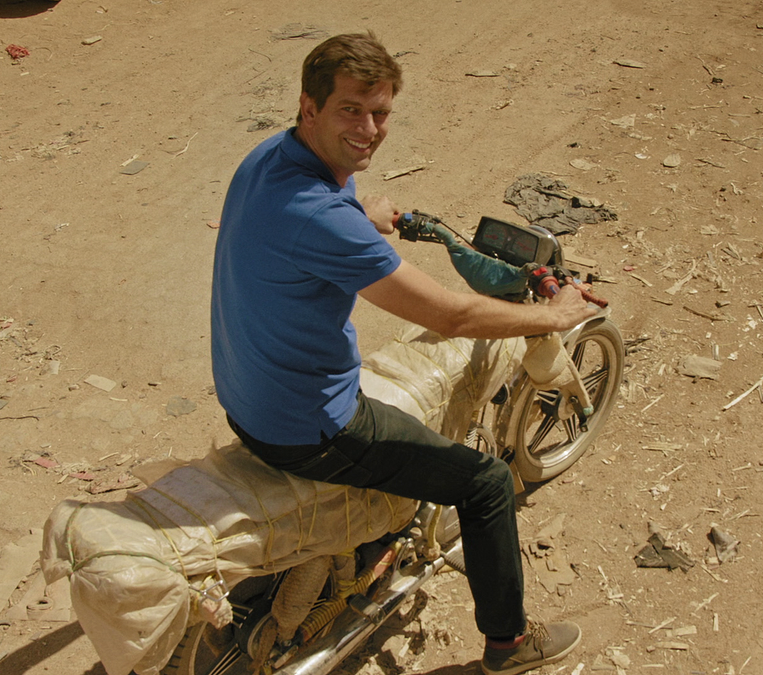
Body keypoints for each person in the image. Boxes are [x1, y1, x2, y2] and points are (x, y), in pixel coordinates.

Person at [210, 31, 594, 675]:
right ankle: (508, 644)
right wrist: (551, 315)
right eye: (350, 110)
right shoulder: (327, 222)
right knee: (487, 483)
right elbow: (452, 315)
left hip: (245, 399)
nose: (369, 130)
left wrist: (362, 214)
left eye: (380, 112)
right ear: (309, 107)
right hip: (309, 426)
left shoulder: (268, 160)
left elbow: (305, 224)